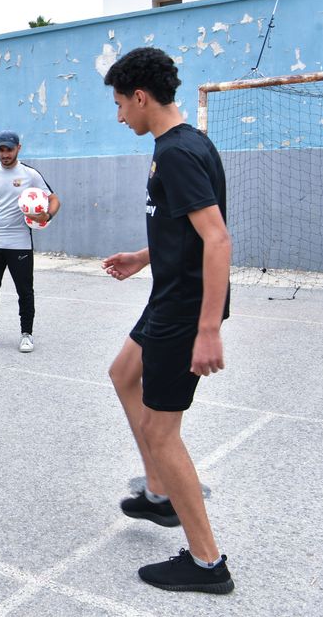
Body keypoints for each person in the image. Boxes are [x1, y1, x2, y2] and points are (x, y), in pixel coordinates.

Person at [101, 47, 234, 594]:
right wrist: (144, 255)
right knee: (122, 374)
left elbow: (217, 238)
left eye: (119, 105)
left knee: (162, 428)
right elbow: (182, 228)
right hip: (167, 295)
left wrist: (207, 329)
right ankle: (158, 495)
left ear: (140, 96)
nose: (119, 116)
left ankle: (207, 563)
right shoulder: (182, 144)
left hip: (183, 313)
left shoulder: (177, 152)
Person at [0, 131, 58, 353]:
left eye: (9, 149)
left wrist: (48, 215)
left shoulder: (30, 174)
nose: (5, 154)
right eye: (1, 149)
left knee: (25, 291)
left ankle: (26, 334)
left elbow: (54, 199)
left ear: (19, 148)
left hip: (20, 243)